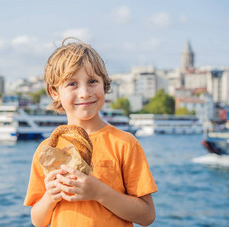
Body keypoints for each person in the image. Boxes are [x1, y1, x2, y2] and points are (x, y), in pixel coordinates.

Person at [24, 37, 157, 227]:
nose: (85, 92)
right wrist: (49, 198)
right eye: (72, 84)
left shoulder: (125, 144)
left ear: (105, 84)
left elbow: (147, 215)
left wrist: (99, 192)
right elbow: (37, 221)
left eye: (93, 81)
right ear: (54, 92)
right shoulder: (46, 150)